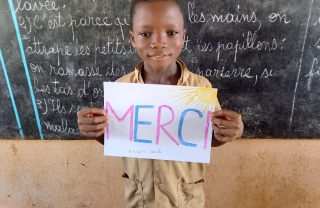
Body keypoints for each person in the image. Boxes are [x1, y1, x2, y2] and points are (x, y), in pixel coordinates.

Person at [77, 0, 244, 207]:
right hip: (140, 199)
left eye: (171, 33)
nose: (158, 42)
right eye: (145, 34)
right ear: (132, 38)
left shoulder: (200, 87)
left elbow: (208, 139)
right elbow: (119, 139)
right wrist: (96, 130)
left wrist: (228, 133)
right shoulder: (122, 88)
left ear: (183, 36)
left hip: (184, 200)